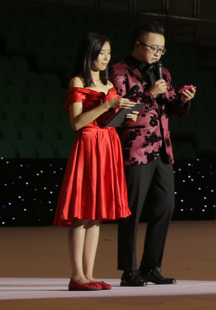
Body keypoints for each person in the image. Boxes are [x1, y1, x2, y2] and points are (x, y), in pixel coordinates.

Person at [111, 22, 196, 287]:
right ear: (137, 45)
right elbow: (119, 113)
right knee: (131, 210)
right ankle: (129, 271)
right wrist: (149, 93)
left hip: (163, 149)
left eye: (162, 49)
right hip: (135, 148)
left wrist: (182, 101)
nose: (158, 53)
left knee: (165, 207)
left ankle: (151, 266)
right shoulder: (119, 71)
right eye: (153, 48)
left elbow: (168, 109)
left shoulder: (164, 73)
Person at [55, 32, 137, 291]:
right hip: (89, 145)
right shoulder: (78, 81)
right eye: (101, 53)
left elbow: (107, 120)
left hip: (108, 144)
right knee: (82, 214)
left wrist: (125, 116)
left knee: (96, 217)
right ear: (88, 53)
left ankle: (88, 275)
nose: (106, 58)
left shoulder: (108, 83)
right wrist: (107, 105)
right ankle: (77, 276)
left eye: (109, 53)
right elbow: (77, 122)